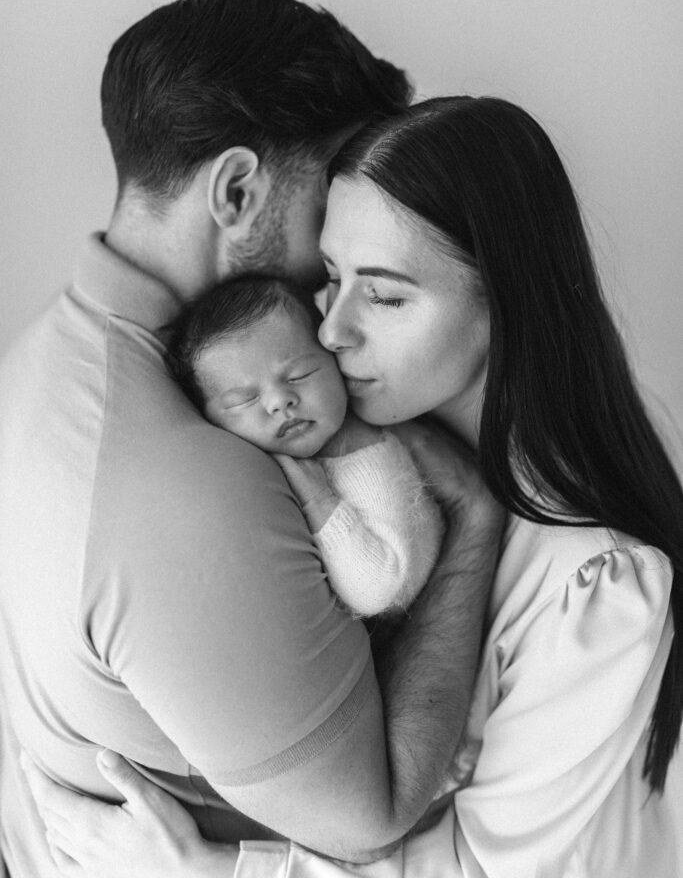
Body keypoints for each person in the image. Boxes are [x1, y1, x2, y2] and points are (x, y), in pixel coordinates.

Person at [26, 95, 683, 877]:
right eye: (330, 279)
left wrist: (201, 868)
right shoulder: (370, 463)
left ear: (503, 304)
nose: (332, 330)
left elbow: (477, 868)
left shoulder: (595, 584)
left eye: (386, 294)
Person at [0, 0, 503, 878]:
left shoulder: (34, 360)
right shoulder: (191, 474)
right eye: (327, 210)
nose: (336, 265)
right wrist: (469, 527)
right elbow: (374, 812)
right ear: (236, 189)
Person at [164, 273, 443, 616]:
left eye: (299, 375)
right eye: (244, 400)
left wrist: (319, 501)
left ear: (335, 361)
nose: (281, 401)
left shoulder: (363, 453)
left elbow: (382, 590)